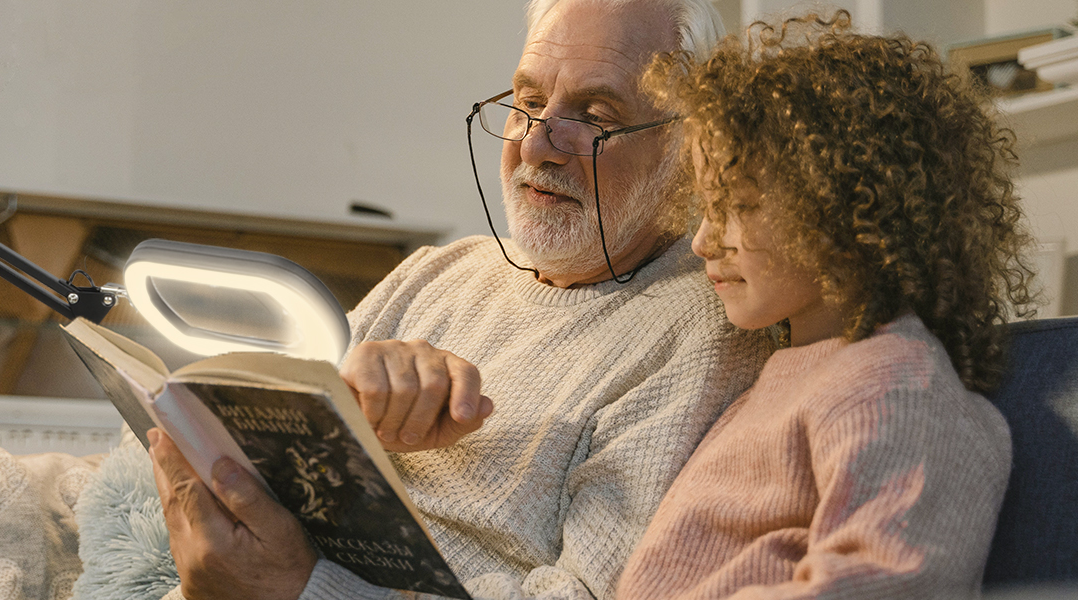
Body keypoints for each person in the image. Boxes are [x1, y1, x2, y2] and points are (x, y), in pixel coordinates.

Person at [149, 1, 774, 598]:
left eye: (594, 117)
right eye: (529, 102)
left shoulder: (709, 331)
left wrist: (304, 592)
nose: (534, 145)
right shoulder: (443, 270)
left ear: (686, 144)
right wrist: (348, 413)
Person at [616, 12, 1035, 599]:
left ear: (843, 210)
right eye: (705, 207)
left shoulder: (893, 380)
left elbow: (892, 579)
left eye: (736, 204)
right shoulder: (787, 375)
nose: (702, 241)